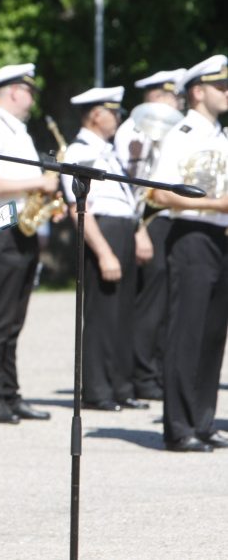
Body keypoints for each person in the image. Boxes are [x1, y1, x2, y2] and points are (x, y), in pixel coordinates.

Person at [0, 63, 57, 424]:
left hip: (21, 230)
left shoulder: (16, 129)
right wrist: (38, 185)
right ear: (15, 91)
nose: (32, 98)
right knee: (0, 320)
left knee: (14, 320)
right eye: (30, 91)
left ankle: (10, 393)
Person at [149, 55, 228, 452]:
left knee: (213, 335)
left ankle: (202, 419)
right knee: (187, 332)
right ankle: (179, 426)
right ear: (198, 91)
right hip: (192, 235)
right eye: (221, 86)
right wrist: (218, 205)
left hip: (220, 238)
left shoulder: (219, 134)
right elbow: (161, 192)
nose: (227, 92)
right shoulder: (182, 132)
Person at [60, 86, 152, 411]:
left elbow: (126, 198)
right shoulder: (80, 150)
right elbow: (77, 208)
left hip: (123, 229)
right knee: (102, 315)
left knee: (124, 312)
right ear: (97, 114)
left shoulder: (108, 150)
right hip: (103, 232)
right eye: (114, 112)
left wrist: (138, 230)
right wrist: (103, 252)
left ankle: (121, 387)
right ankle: (98, 390)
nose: (118, 118)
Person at [113, 69, 186, 401]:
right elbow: (134, 185)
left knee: (167, 301)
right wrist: (140, 228)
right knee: (151, 304)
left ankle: (154, 369)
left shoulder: (170, 128)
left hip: (167, 218)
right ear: (157, 96)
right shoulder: (134, 128)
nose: (177, 102)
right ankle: (144, 374)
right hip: (149, 218)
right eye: (172, 96)